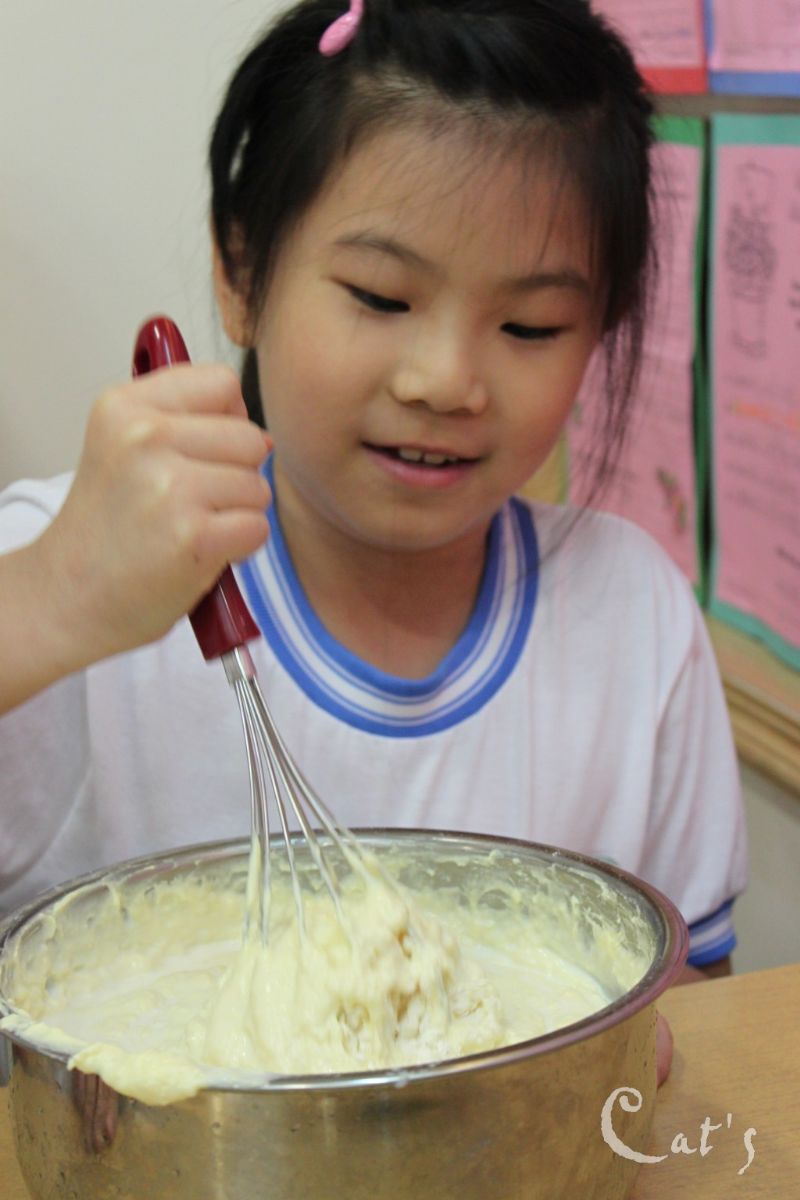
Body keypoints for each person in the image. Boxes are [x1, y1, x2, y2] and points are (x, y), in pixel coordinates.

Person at [0, 0, 746, 1079]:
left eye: (529, 326)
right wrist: (58, 596)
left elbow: (698, 1004)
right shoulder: (70, 570)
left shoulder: (632, 620)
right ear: (242, 274)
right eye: (382, 296)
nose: (445, 381)